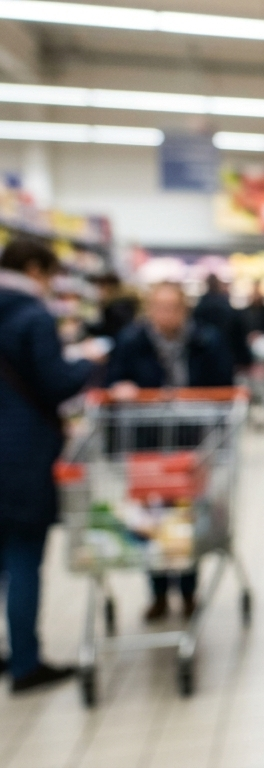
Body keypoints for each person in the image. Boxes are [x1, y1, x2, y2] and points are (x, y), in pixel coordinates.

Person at [0, 239, 99, 693]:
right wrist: (87, 363)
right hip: (20, 454)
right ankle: (25, 663)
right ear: (35, 269)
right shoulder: (34, 316)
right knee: (23, 556)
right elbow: (56, 383)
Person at [106, 282, 234, 621]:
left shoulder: (207, 340)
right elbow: (114, 378)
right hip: (147, 445)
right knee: (151, 519)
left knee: (187, 516)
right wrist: (122, 389)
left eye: (173, 307)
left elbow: (225, 383)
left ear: (184, 309)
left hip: (193, 444)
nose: (166, 314)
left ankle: (190, 591)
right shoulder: (131, 342)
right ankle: (159, 593)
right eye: (159, 307)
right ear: (149, 309)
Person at [194, 274, 251, 370]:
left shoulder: (199, 307)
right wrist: (245, 360)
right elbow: (238, 335)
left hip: (203, 358)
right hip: (228, 355)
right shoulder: (227, 307)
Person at [88, 273, 139, 340]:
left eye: (102, 287)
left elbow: (111, 331)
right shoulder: (120, 304)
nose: (99, 291)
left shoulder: (117, 308)